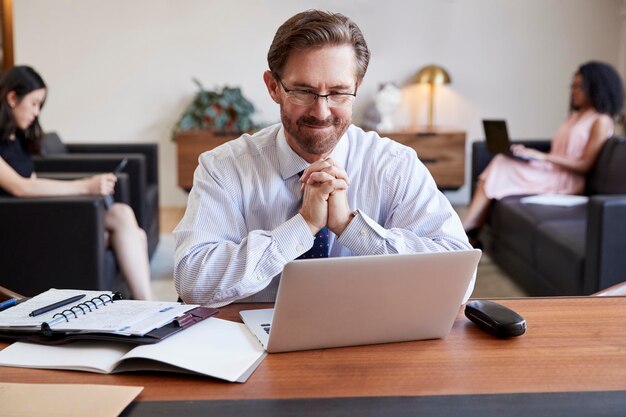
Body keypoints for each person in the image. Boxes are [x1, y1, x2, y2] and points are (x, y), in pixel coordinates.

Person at [174, 10, 471, 308]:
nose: (322, 112)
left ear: (357, 87)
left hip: (372, 338)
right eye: (304, 91)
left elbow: (460, 279)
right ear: (273, 87)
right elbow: (193, 283)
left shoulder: (395, 165)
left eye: (340, 92)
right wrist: (301, 227)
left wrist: (351, 227)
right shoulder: (224, 167)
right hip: (253, 341)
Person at [0, 65, 153, 300]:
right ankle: (147, 306)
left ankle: (145, 307)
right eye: (34, 103)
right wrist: (86, 186)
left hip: (34, 215)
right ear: (12, 98)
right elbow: (21, 187)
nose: (36, 112)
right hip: (18, 229)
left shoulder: (17, 138)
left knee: (125, 218)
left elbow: (32, 183)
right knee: (133, 233)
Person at [462, 61, 624, 243]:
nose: (574, 92)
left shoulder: (600, 121)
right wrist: (527, 154)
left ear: (595, 87)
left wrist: (543, 156)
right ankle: (472, 229)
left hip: (567, 180)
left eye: (579, 87)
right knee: (502, 160)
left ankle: (468, 226)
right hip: (550, 171)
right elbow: (560, 149)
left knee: (501, 166)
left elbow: (585, 165)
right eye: (573, 86)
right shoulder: (575, 116)